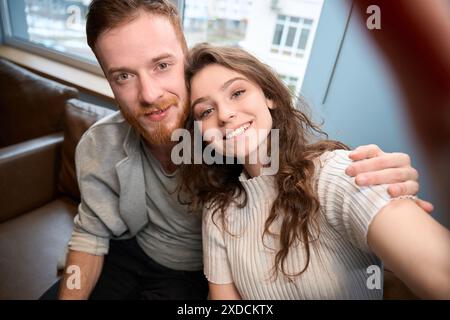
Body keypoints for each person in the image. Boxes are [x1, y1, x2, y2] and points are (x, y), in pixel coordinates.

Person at [44, 0, 431, 300]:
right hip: (128, 252)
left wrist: (377, 185)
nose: (148, 94)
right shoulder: (100, 145)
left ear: (185, 56)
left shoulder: (235, 144)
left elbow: (301, 168)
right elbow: (90, 236)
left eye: (162, 65)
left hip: (191, 277)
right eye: (124, 76)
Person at [180, 43, 450, 300]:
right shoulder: (217, 212)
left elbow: (441, 272)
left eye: (237, 93)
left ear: (269, 96)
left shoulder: (338, 173)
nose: (225, 114)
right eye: (206, 111)